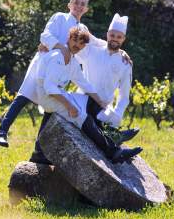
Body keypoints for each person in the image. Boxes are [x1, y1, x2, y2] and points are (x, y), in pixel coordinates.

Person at [24, 26, 142, 163]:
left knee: (91, 103)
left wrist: (101, 102)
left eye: (81, 44)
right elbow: (49, 87)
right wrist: (69, 106)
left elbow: (84, 83)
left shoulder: (72, 61)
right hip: (48, 97)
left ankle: (115, 135)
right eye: (75, 41)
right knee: (85, 119)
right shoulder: (58, 56)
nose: (78, 46)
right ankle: (114, 152)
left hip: (59, 93)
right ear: (68, 39)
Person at [0, 0, 91, 147]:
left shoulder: (83, 28)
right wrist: (61, 47)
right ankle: (1, 133)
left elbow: (95, 45)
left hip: (60, 72)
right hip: (43, 65)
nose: (79, 6)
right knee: (23, 97)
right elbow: (45, 36)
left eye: (82, 4)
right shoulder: (59, 17)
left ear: (86, 9)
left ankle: (39, 150)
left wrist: (119, 53)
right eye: (76, 2)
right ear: (69, 5)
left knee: (50, 110)